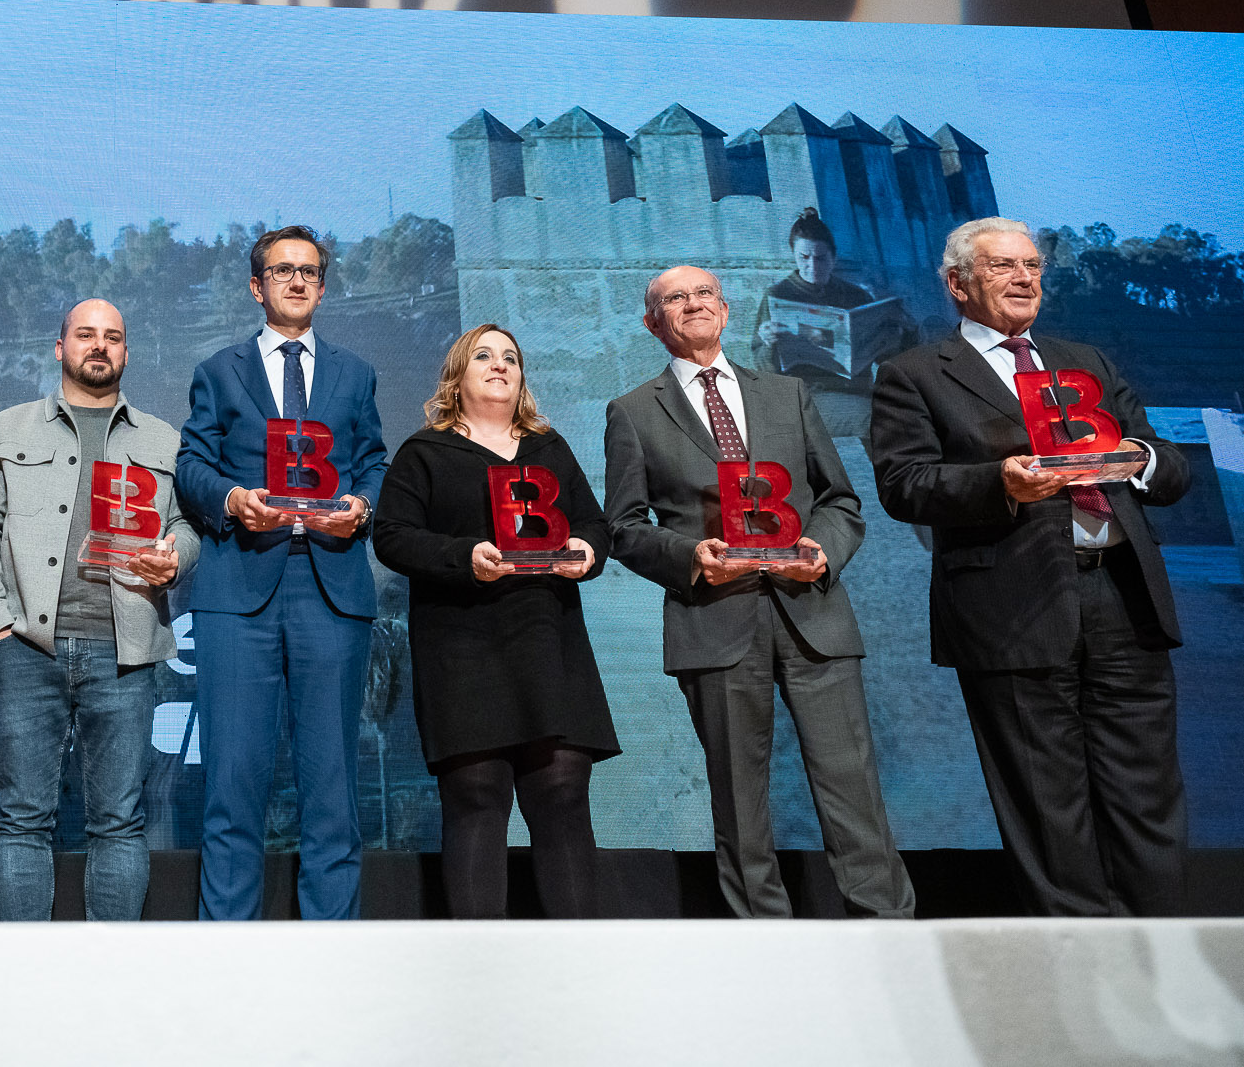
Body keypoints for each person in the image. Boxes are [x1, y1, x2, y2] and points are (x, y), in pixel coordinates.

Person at [871, 217, 1189, 915]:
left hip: (1122, 597)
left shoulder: (1086, 361)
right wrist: (999, 485)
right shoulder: (915, 375)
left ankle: (1162, 945)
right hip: (1009, 607)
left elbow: (1169, 466)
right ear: (956, 284)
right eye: (1001, 267)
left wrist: (1140, 460)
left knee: (1145, 789)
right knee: (1047, 801)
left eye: (1031, 265)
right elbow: (903, 486)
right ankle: (1077, 961)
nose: (1023, 279)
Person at [604, 265, 913, 919]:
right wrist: (691, 558)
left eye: (703, 294)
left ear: (725, 308)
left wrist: (821, 550)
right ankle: (763, 947)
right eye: (673, 298)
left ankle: (888, 934)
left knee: (852, 790)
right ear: (651, 322)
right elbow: (624, 529)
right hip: (712, 621)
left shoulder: (788, 394)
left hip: (813, 616)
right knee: (739, 802)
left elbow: (840, 499)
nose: (692, 304)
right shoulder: (632, 412)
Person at [0, 298, 200, 920]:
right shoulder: (5, 429)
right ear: (58, 347)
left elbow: (184, 525)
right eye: (85, 335)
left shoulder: (162, 439)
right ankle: (27, 976)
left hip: (125, 650)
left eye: (113, 337)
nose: (99, 346)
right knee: (22, 821)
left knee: (120, 822)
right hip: (26, 649)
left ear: (126, 351)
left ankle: (107, 979)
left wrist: (178, 558)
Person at [176, 225, 388, 920]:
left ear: (322, 287)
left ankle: (332, 950)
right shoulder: (217, 370)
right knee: (233, 780)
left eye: (307, 272)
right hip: (239, 590)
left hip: (329, 586)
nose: (295, 281)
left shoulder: (354, 374)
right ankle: (228, 954)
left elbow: (373, 462)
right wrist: (231, 499)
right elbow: (190, 467)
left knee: (331, 783)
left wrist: (359, 503)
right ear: (256, 285)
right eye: (280, 270)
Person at [372, 324, 616, 919]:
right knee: (477, 794)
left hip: (548, 642)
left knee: (561, 792)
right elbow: (392, 536)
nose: (500, 365)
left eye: (511, 357)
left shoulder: (548, 448)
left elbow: (594, 524)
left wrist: (586, 551)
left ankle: (578, 971)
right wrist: (464, 558)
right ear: (458, 374)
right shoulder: (424, 452)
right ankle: (479, 973)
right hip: (463, 645)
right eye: (484, 355)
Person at [750, 207, 914, 437]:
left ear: (833, 257)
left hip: (858, 391)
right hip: (808, 397)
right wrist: (769, 344)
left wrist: (903, 329)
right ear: (794, 256)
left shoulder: (856, 295)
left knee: (910, 411)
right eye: (804, 258)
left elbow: (886, 357)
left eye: (821, 258)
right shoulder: (778, 296)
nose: (812, 267)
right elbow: (764, 369)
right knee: (875, 417)